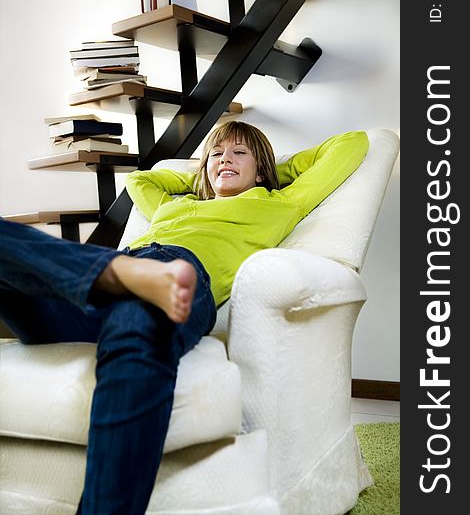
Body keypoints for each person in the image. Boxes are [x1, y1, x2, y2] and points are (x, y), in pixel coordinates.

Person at [0, 121, 369, 515]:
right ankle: (118, 274)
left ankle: (124, 278)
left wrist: (272, 170)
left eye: (239, 153)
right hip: (112, 278)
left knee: (137, 327)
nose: (225, 158)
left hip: (179, 276)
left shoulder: (279, 202)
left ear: (261, 169)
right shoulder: (173, 204)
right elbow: (141, 180)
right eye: (217, 154)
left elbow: (352, 142)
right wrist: (202, 175)